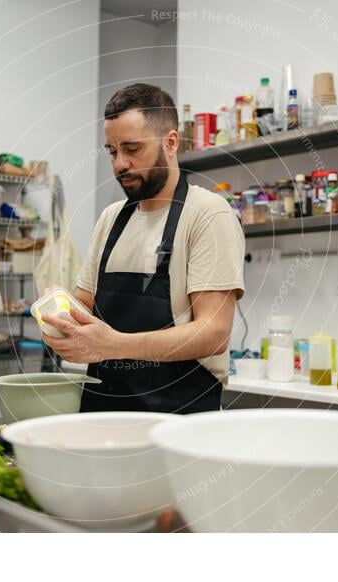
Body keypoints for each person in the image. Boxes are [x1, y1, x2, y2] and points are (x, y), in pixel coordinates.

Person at [41, 83, 245, 414]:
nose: (120, 163)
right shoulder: (111, 219)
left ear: (171, 142)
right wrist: (58, 313)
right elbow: (84, 304)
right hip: (103, 418)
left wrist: (115, 345)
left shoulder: (207, 214)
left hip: (179, 423)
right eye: (112, 150)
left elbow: (214, 333)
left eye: (132, 149)